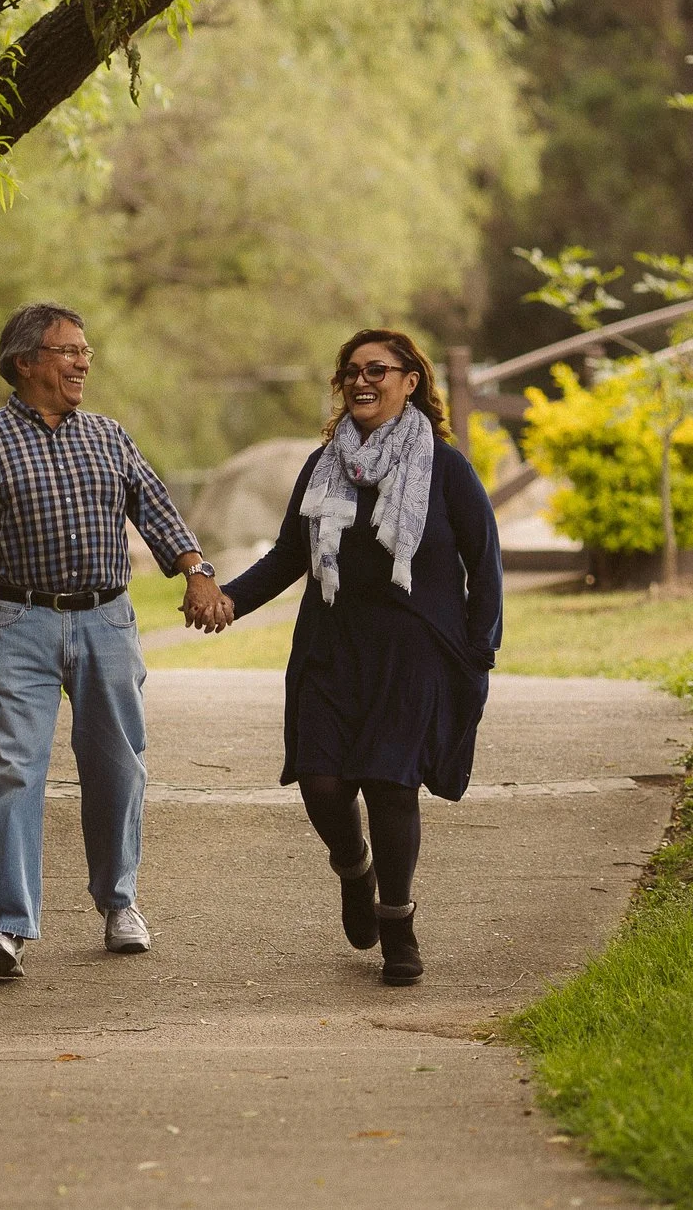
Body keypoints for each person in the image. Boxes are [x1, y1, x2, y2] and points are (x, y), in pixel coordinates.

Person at [0, 302, 229, 980]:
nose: (83, 362)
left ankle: (119, 904)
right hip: (21, 622)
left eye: (87, 351)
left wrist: (197, 572)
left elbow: (160, 512)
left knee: (117, 765)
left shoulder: (110, 436)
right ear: (25, 362)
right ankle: (7, 926)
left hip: (105, 619)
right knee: (13, 768)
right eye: (68, 350)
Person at [211, 329, 503, 986]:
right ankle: (353, 866)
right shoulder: (324, 466)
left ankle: (398, 923)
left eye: (377, 368)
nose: (360, 379)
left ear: (410, 381)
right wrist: (227, 600)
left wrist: (481, 648)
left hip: (414, 650)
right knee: (322, 781)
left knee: (392, 784)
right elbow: (290, 553)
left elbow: (484, 560)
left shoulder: (444, 464)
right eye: (349, 371)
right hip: (331, 646)